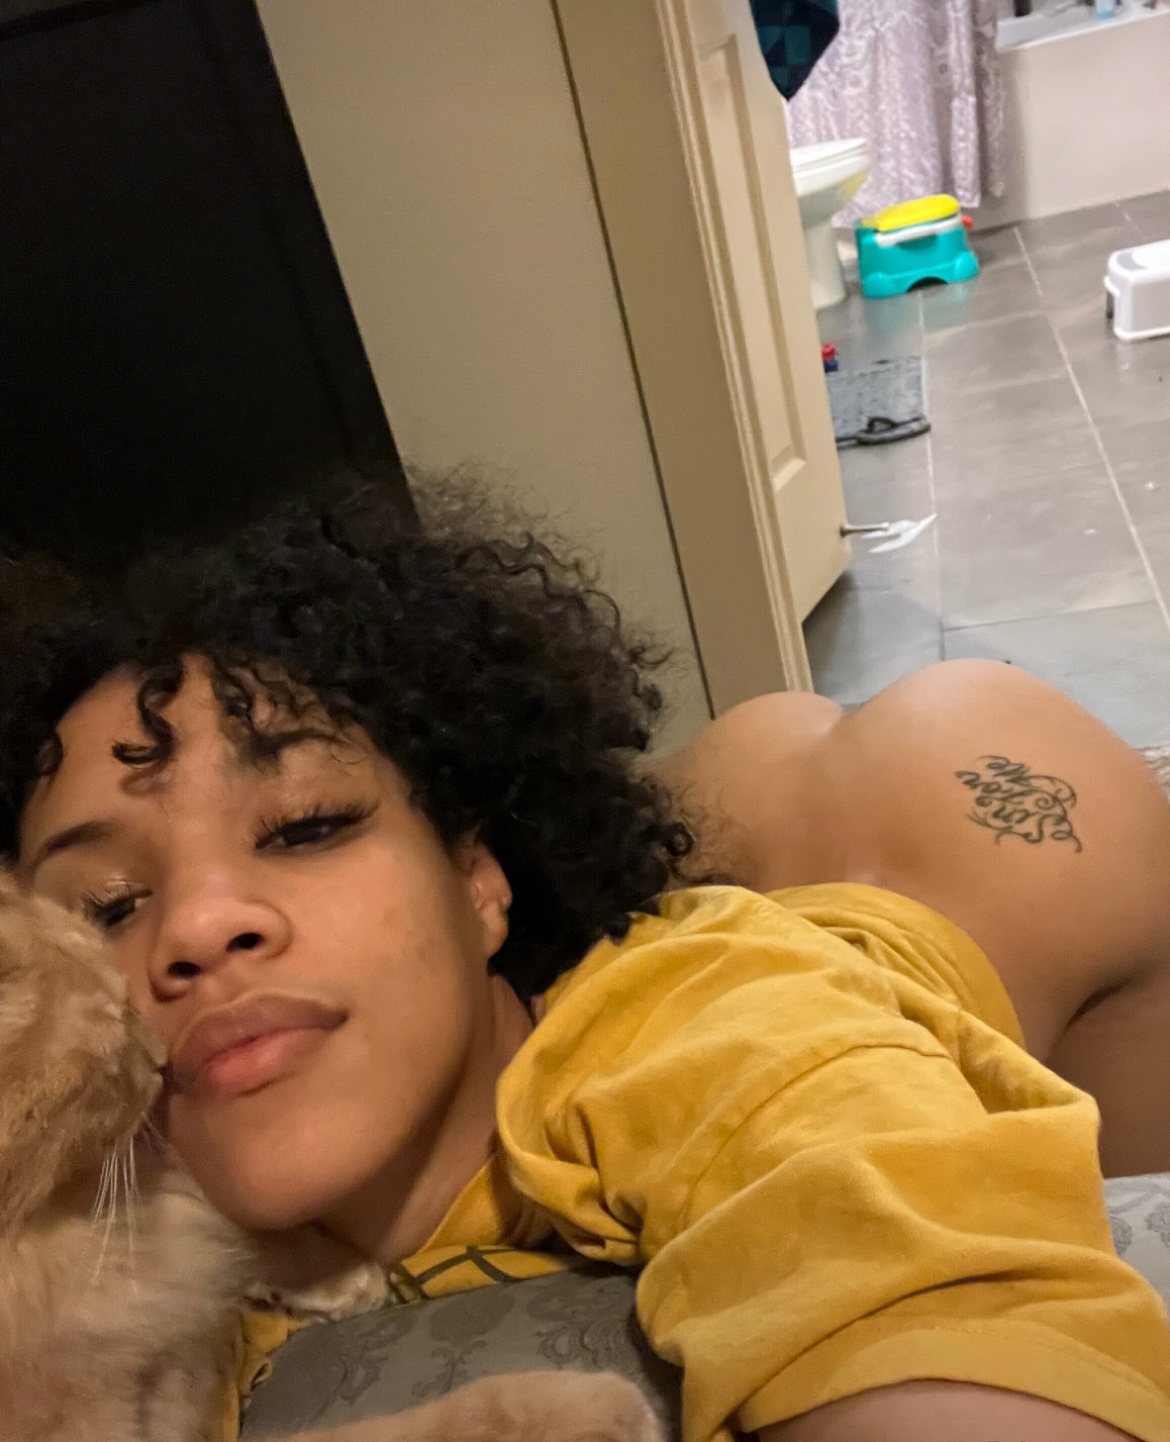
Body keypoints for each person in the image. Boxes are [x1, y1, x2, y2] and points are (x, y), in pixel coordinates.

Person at [3, 480, 1170, 1442]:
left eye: (307, 824)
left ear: (479, 876)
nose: (197, 924)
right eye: (106, 906)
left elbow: (908, 1259)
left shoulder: (708, 1026)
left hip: (972, 840)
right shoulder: (101, 1214)